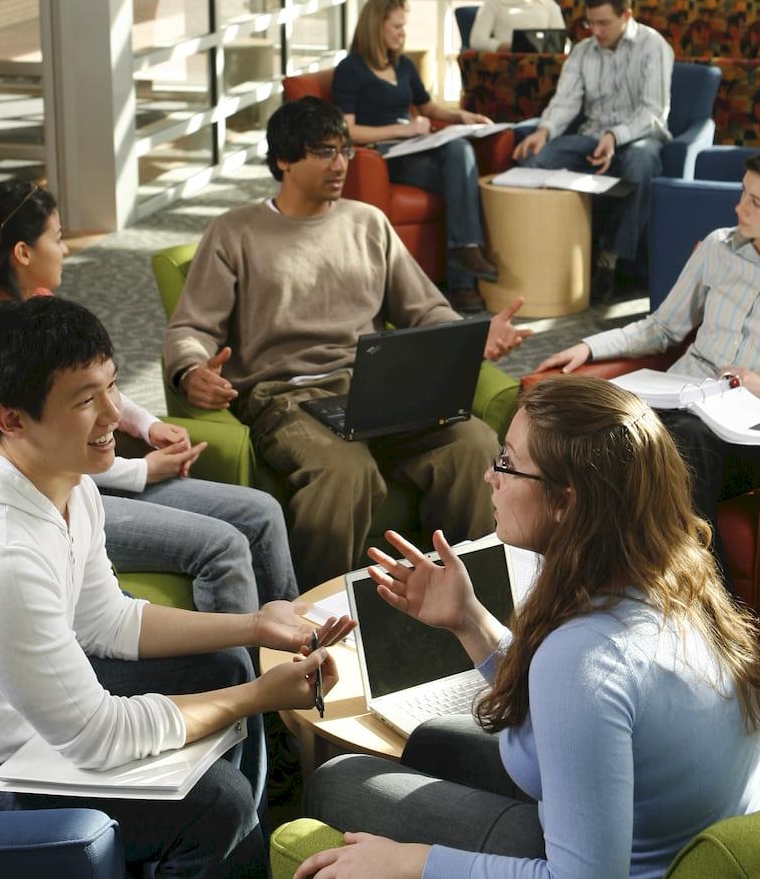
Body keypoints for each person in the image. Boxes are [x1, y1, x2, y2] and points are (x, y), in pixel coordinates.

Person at [0, 295, 351, 879]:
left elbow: (106, 620)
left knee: (225, 668)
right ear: (11, 419)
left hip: (16, 730)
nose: (116, 417)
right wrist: (263, 696)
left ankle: (196, 874)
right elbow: (96, 735)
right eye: (85, 399)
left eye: (112, 385)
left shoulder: (65, 483)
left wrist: (254, 623)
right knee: (217, 801)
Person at [292, 375, 760, 879]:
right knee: (431, 739)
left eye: (507, 462)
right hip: (674, 844)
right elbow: (582, 713)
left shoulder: (585, 658)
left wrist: (408, 864)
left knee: (339, 784)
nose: (488, 476)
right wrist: (469, 620)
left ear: (566, 501)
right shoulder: (670, 572)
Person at [162, 96, 533, 590]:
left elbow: (426, 310)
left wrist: (471, 339)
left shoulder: (368, 222)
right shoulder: (234, 233)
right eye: (324, 152)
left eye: (344, 152)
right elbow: (191, 328)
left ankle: (473, 596)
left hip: (378, 388)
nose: (340, 165)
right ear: (284, 160)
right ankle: (317, 617)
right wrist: (191, 372)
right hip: (287, 394)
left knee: (473, 446)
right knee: (345, 473)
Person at [535, 140, 760, 583]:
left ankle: (708, 596)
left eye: (756, 202)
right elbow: (663, 327)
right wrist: (591, 347)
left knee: (676, 442)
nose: (738, 206)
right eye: (744, 192)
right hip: (678, 401)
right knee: (587, 424)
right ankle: (578, 587)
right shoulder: (719, 248)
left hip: (749, 432)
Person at [0, 178, 297, 615]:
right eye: (57, 237)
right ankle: (251, 676)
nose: (66, 249)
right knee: (222, 547)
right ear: (23, 253)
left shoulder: (37, 306)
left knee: (261, 512)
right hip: (51, 496)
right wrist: (142, 470)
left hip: (87, 478)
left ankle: (299, 653)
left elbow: (95, 391)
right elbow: (48, 449)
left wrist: (149, 426)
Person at [333, 0, 496, 314]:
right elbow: (347, 129)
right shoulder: (350, 69)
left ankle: (465, 253)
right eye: (397, 26)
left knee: (460, 152)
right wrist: (402, 129)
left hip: (416, 149)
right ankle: (463, 280)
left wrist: (460, 116)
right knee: (459, 174)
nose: (402, 33)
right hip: (383, 158)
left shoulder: (404, 66)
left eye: (404, 26)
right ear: (376, 25)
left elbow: (428, 107)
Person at [512, 0, 673, 299]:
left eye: (604, 23)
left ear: (626, 15)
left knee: (640, 161)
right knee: (535, 160)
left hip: (638, 137)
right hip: (592, 137)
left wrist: (616, 136)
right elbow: (566, 101)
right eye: (590, 22)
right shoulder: (583, 51)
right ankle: (546, 258)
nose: (595, 31)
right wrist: (544, 130)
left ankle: (609, 260)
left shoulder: (653, 46)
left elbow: (653, 110)